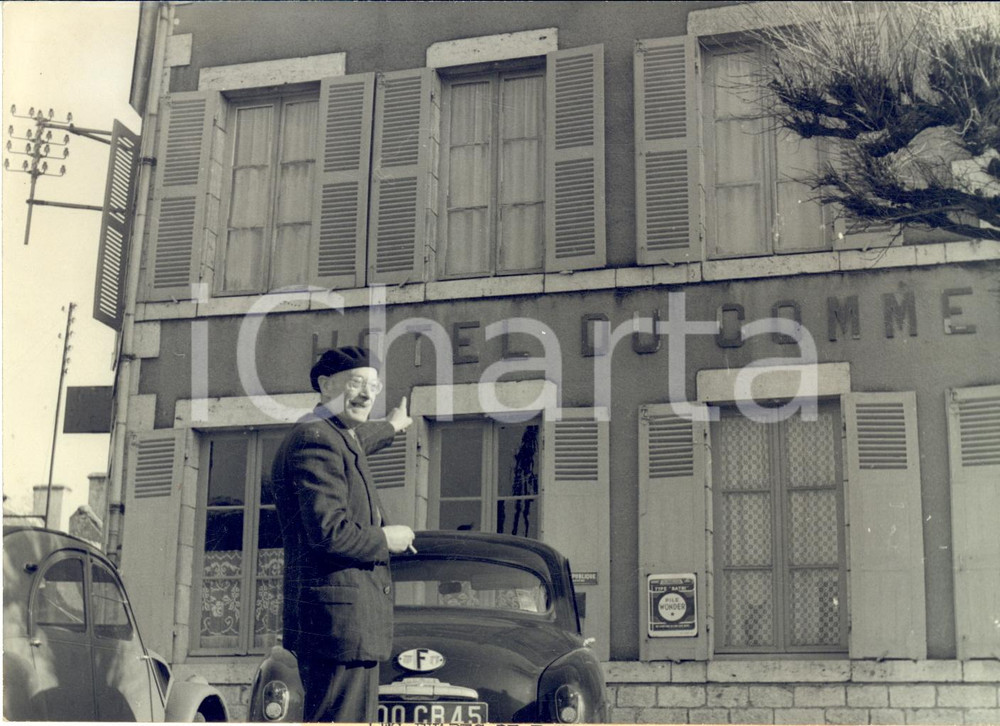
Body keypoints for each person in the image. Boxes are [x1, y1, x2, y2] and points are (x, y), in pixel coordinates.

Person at [269, 345, 414, 723]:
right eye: (356, 383)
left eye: (375, 386)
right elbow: (329, 532)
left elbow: (357, 445)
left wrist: (393, 427)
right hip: (337, 630)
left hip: (345, 628)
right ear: (324, 384)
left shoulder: (331, 435)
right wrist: (386, 539)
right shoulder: (316, 439)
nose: (367, 394)